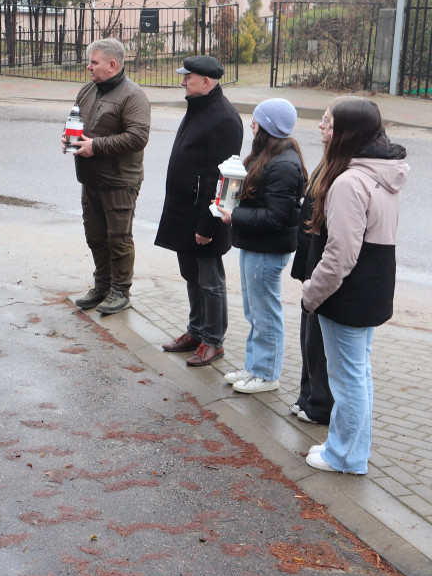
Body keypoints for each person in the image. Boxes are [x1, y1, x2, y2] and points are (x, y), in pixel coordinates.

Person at [302, 99, 408, 475]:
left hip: (346, 293)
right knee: (357, 375)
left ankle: (343, 456)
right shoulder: (382, 173)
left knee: (347, 380)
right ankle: (350, 448)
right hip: (371, 287)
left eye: (327, 122)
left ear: (345, 132)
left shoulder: (349, 181)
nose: (321, 128)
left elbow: (340, 253)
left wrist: (311, 294)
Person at [156, 55, 243, 366]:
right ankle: (196, 331)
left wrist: (208, 225)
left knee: (210, 280)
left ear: (206, 82)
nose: (183, 82)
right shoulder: (199, 107)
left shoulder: (225, 118)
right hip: (184, 212)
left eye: (188, 78)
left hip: (204, 217)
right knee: (191, 275)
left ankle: (213, 341)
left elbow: (226, 179)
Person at [215, 98, 306, 394]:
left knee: (265, 313)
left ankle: (267, 374)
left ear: (267, 125)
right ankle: (255, 365)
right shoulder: (267, 154)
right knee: (255, 311)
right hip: (254, 244)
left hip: (267, 249)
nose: (251, 124)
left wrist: (234, 216)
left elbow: (277, 217)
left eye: (255, 120)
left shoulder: (283, 165)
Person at [64, 38, 151, 315]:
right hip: (90, 178)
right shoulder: (88, 90)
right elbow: (77, 121)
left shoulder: (132, 96)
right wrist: (70, 137)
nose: (88, 66)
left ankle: (120, 291)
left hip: (119, 181)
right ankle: (102, 285)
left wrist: (96, 146)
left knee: (119, 237)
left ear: (112, 65)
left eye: (94, 62)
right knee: (95, 236)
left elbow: (138, 137)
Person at [290, 102, 339, 425]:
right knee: (308, 337)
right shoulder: (328, 162)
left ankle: (320, 405)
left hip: (323, 271)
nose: (320, 126)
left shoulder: (341, 171)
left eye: (326, 121)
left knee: (320, 342)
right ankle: (307, 396)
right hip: (311, 265)